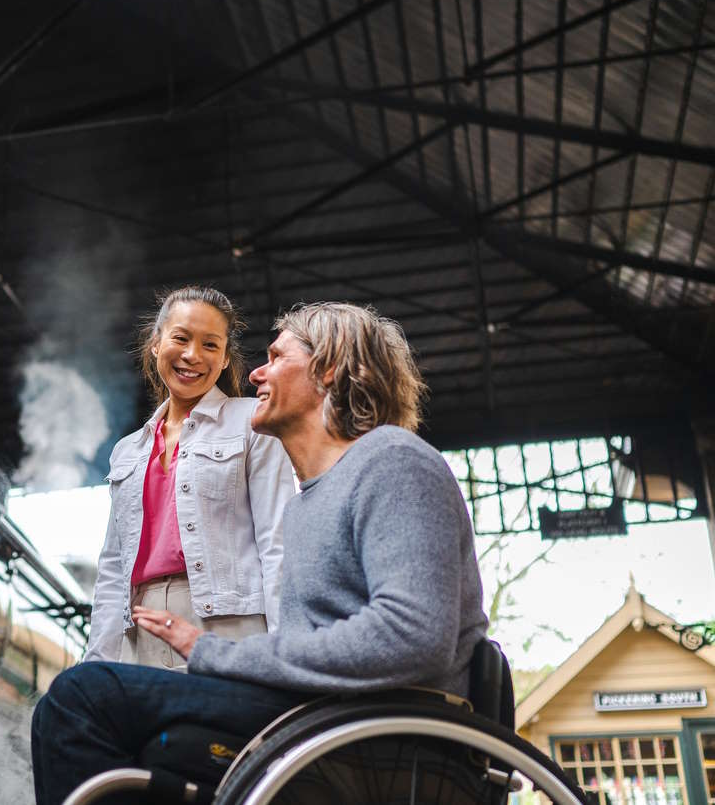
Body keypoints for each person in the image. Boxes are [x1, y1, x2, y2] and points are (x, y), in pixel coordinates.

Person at [31, 302, 489, 805]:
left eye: (275, 356)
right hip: (324, 714)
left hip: (377, 729)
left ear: (328, 368)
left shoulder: (394, 462)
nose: (255, 372)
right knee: (105, 708)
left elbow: (413, 637)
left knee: (81, 699)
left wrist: (220, 654)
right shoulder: (312, 500)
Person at [86, 286, 292, 671]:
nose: (193, 355)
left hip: (228, 626)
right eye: (181, 338)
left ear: (225, 357)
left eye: (210, 345)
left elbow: (276, 542)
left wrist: (284, 654)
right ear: (156, 343)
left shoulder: (252, 424)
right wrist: (96, 663)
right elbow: (113, 569)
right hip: (140, 630)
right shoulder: (127, 451)